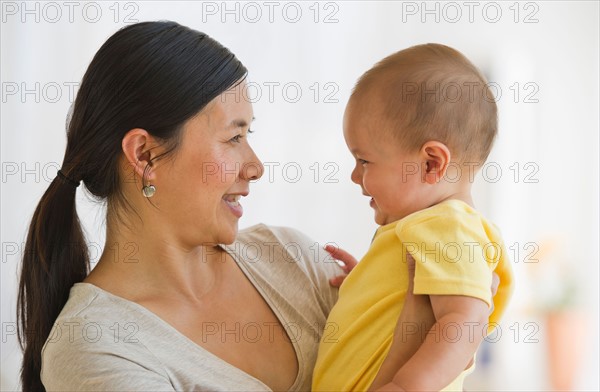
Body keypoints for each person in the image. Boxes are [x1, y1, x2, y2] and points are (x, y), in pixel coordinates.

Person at [17, 21, 437, 391]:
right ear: (144, 155)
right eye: (234, 137)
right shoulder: (97, 348)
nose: (255, 166)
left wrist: (413, 308)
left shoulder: (295, 260)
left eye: (248, 134)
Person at [312, 43, 514, 392]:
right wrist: (370, 285)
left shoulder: (448, 226)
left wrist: (407, 386)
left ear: (431, 164)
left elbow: (465, 321)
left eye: (364, 161)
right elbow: (417, 301)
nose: (355, 176)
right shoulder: (426, 229)